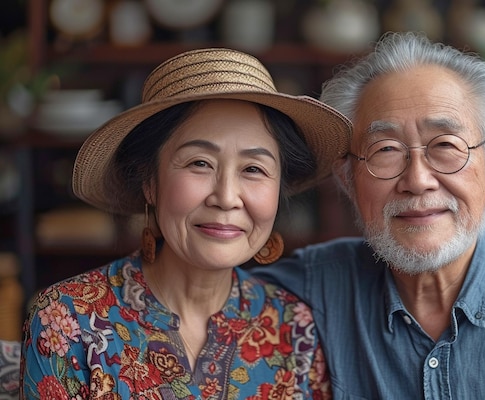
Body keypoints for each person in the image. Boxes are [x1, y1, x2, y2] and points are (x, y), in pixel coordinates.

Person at [251, 31, 485, 398]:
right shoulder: (307, 294)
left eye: (445, 145)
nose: (417, 180)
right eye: (386, 150)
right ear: (348, 180)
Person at [20, 48, 351, 399]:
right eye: (199, 163)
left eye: (253, 169)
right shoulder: (67, 320)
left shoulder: (293, 329)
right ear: (150, 182)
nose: (226, 197)